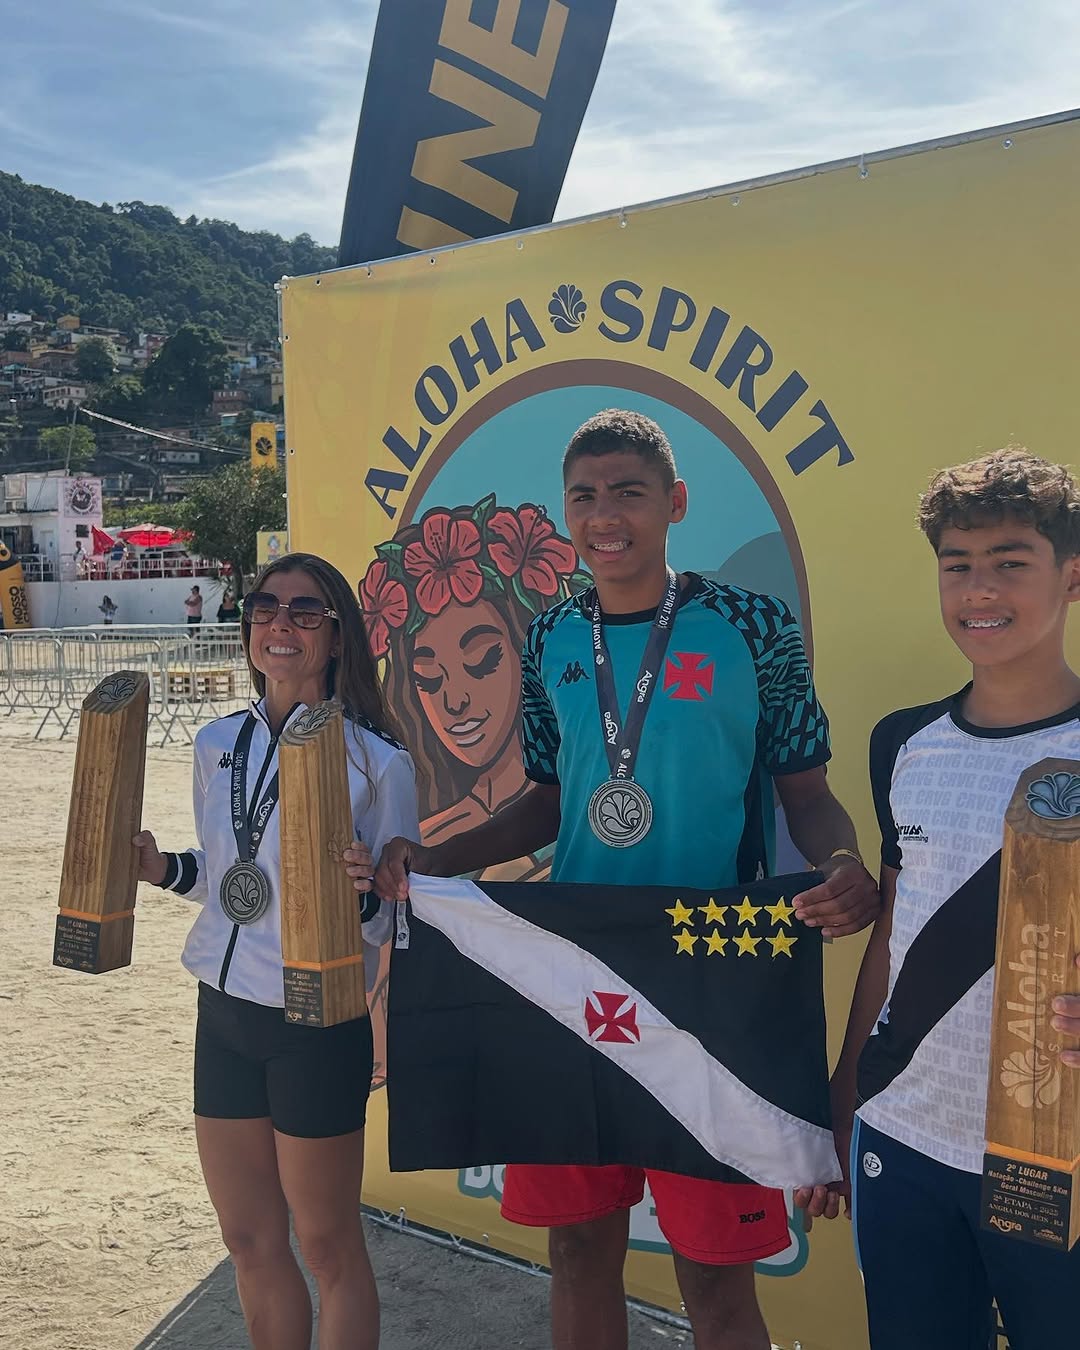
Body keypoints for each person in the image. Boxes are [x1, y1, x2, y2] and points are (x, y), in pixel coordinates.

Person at [364, 409, 879, 1350]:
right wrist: (438, 859)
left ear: (674, 502)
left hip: (709, 980)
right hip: (578, 975)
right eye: (585, 497)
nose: (606, 515)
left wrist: (842, 861)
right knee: (576, 1253)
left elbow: (807, 794)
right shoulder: (553, 634)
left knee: (714, 1280)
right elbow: (548, 804)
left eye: (629, 493)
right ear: (566, 511)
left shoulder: (753, 626)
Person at [133, 553, 419, 1350]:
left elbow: (395, 919)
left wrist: (363, 894)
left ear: (338, 636)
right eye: (264, 607)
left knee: (327, 1246)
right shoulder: (215, 742)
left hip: (315, 1023)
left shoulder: (378, 762)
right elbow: (230, 878)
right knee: (248, 1240)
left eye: (304, 611)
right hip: (223, 1014)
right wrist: (162, 870)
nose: (280, 624)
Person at [832, 448, 1080, 1349]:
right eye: (957, 565)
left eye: (1011, 562)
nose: (980, 589)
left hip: (1057, 1158)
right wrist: (847, 1092)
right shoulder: (903, 743)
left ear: (1072, 575)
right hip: (903, 1134)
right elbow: (896, 932)